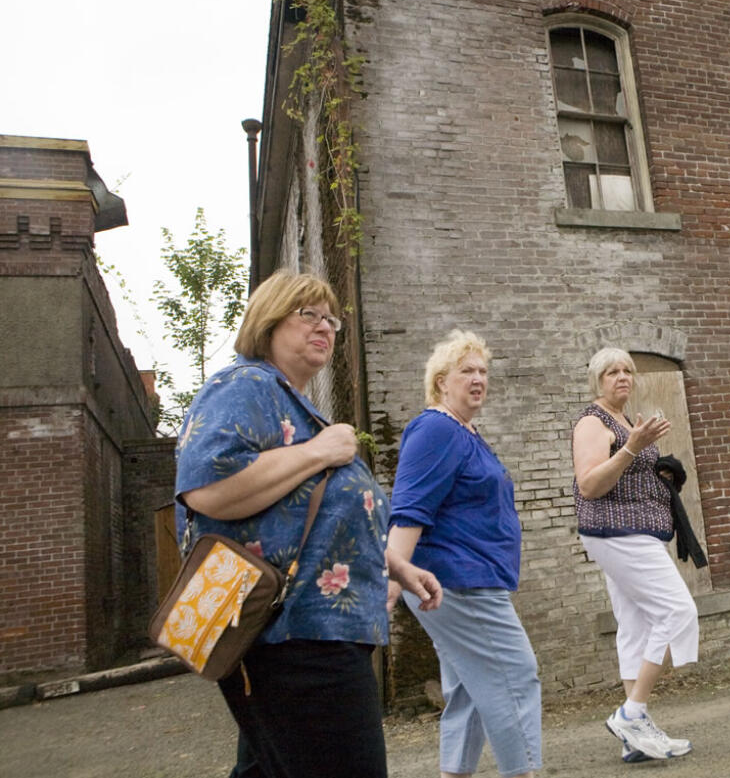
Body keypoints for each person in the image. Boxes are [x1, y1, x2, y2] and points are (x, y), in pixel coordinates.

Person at [174, 269, 442, 778]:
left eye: (331, 320)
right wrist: (319, 450)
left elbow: (302, 521)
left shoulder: (291, 404)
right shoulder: (246, 384)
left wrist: (394, 566)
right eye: (307, 314)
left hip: (307, 638)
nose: (324, 326)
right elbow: (207, 488)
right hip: (295, 640)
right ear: (268, 321)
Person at [387, 330, 543, 778]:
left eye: (482, 371)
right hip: (457, 582)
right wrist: (392, 580)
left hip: (470, 578)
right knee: (515, 675)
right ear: (441, 382)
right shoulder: (437, 427)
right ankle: (525, 772)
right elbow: (410, 509)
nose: (478, 379)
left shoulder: (465, 432)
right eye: (466, 371)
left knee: (470, 691)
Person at [571, 347, 700, 762]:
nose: (622, 377)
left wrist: (656, 464)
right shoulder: (593, 421)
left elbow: (630, 468)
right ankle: (632, 712)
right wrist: (632, 448)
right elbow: (589, 485)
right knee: (677, 611)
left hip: (634, 531)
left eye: (627, 370)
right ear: (597, 380)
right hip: (616, 532)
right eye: (611, 372)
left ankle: (636, 738)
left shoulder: (628, 419)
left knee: (635, 625)